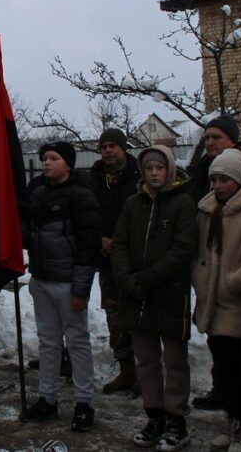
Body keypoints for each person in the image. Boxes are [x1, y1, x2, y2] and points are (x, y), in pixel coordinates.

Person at [112, 145, 198, 451]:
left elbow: (182, 250)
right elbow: (119, 242)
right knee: (146, 361)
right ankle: (155, 416)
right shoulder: (134, 204)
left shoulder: (183, 203)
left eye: (159, 168)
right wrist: (125, 279)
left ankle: (177, 420)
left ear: (169, 170)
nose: (154, 174)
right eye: (148, 169)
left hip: (170, 295)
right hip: (136, 296)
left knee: (175, 361)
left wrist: (146, 279)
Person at [186, 115, 241, 413]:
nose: (209, 142)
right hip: (211, 271)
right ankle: (222, 388)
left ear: (233, 140)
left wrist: (236, 278)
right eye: (207, 137)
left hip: (239, 273)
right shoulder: (201, 172)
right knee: (217, 339)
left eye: (217, 137)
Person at [20, 141, 102, 433]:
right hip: (41, 280)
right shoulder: (39, 193)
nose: (46, 163)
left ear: (68, 163)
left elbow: (88, 247)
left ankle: (83, 403)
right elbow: (30, 236)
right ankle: (47, 399)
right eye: (44, 158)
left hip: (68, 283)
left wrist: (80, 290)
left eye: (53, 158)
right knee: (48, 343)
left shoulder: (82, 196)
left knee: (77, 343)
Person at [89, 127, 141, 395]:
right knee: (115, 317)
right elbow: (88, 212)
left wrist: (118, 241)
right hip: (107, 261)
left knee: (138, 318)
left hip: (135, 263)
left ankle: (145, 375)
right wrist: (99, 237)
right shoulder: (95, 178)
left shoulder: (139, 176)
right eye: (104, 146)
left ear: (123, 148)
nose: (108, 150)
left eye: (113, 146)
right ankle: (126, 371)